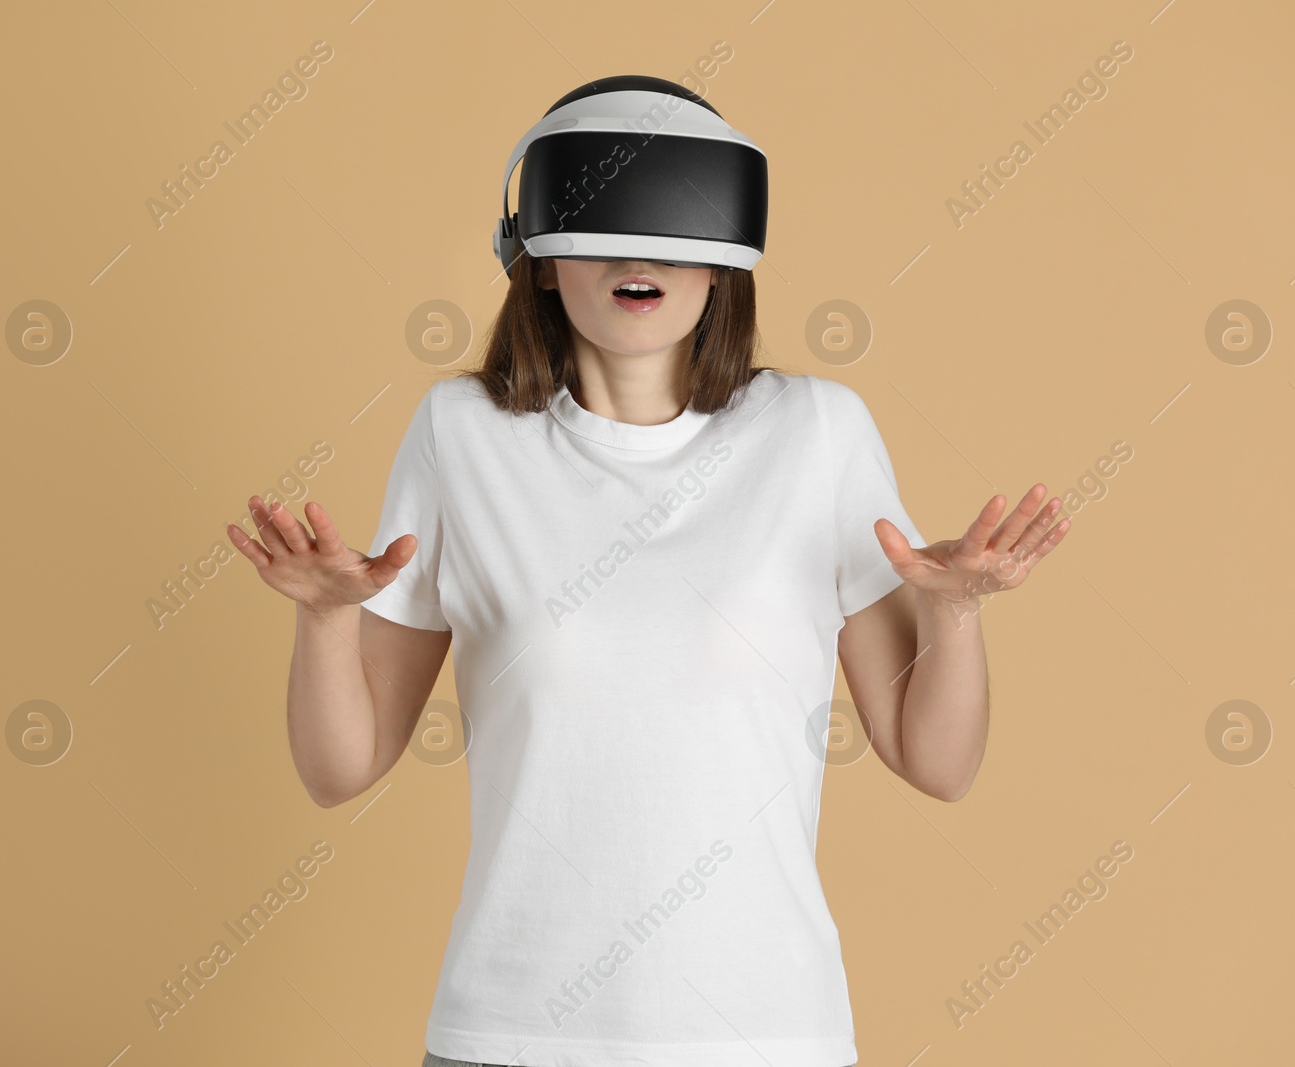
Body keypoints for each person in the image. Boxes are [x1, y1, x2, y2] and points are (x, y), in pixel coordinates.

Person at [229, 80, 1069, 1067]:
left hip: (765, 1034)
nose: (642, 253)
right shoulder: (461, 436)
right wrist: (326, 622)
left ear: (727, 261)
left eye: (676, 216)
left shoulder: (816, 433)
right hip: (510, 1031)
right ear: (535, 259)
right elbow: (340, 768)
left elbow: (939, 764)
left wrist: (955, 611)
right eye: (599, 214)